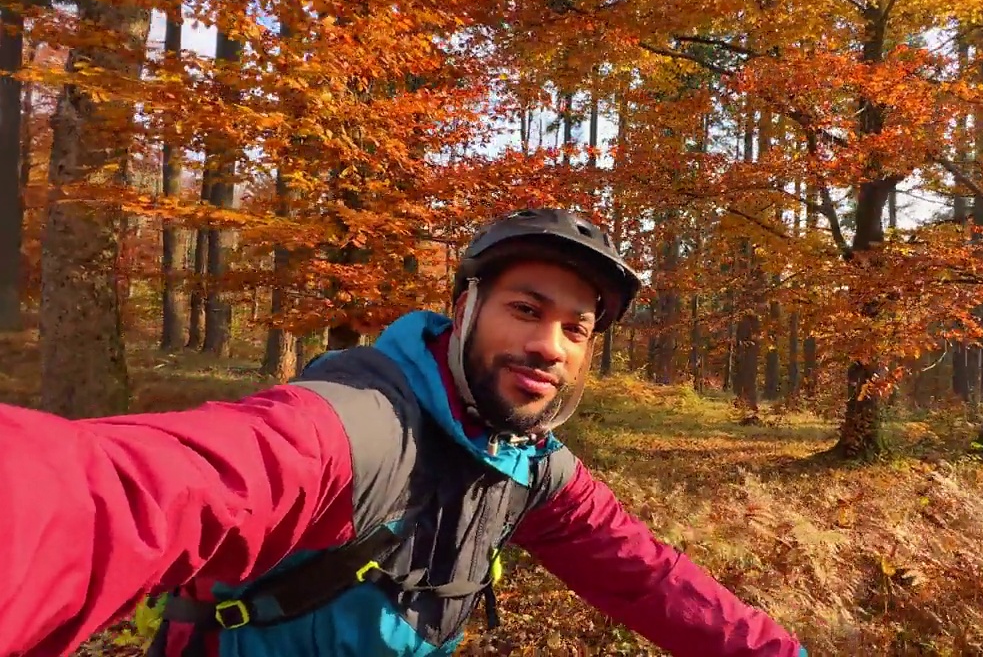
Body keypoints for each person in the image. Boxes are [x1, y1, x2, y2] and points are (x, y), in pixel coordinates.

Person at [0, 208, 808, 657]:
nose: (548, 346)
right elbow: (133, 492)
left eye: (577, 328)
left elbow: (652, 580)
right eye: (525, 309)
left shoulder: (526, 461)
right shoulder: (359, 426)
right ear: (464, 308)